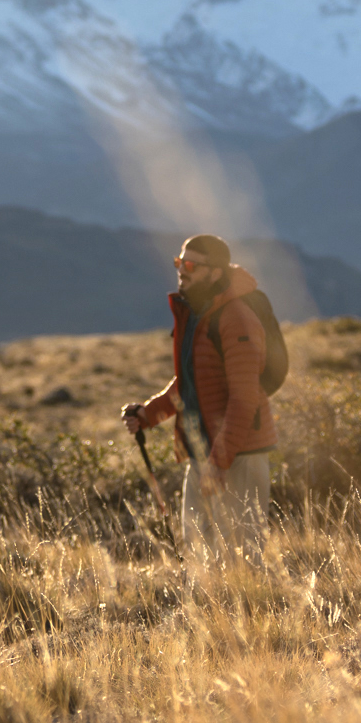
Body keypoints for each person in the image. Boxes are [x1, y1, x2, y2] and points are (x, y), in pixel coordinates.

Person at [121, 234, 277, 563]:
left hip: (240, 453)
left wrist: (220, 463)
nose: (182, 270)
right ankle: (205, 614)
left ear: (216, 273)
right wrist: (148, 414)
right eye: (179, 262)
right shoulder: (197, 314)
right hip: (203, 451)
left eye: (191, 265)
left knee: (243, 558)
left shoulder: (236, 318)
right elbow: (191, 381)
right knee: (198, 552)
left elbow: (244, 399)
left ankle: (255, 613)